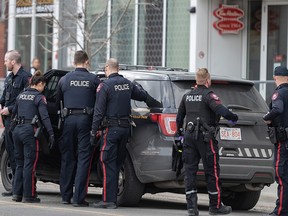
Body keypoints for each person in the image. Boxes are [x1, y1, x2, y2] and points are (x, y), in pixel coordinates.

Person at [91, 58, 156, 209]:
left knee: (106, 162)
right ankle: (112, 198)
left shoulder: (105, 86)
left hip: (111, 130)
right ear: (118, 68)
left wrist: (93, 131)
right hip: (125, 130)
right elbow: (143, 96)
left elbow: (98, 112)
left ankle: (108, 200)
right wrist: (156, 104)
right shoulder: (127, 84)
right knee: (117, 163)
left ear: (107, 68)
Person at [176, 68, 238, 216]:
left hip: (189, 138)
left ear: (196, 81)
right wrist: (233, 118)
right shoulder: (209, 96)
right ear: (208, 80)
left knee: (190, 171)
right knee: (212, 171)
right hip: (205, 138)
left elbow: (179, 119)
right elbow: (221, 110)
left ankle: (192, 208)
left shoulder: (187, 96)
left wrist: (179, 136)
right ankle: (215, 207)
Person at [56, 50, 100, 207]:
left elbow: (57, 100)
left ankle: (65, 196)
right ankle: (78, 198)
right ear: (86, 61)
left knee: (68, 158)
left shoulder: (64, 79)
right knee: (83, 159)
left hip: (68, 121)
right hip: (85, 121)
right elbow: (100, 101)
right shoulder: (93, 79)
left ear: (74, 62)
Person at [11, 71, 54, 203]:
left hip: (17, 131)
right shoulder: (39, 98)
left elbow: (14, 114)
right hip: (29, 131)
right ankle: (28, 195)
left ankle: (16, 194)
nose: (44, 89)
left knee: (19, 164)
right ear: (39, 83)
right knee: (29, 164)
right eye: (44, 86)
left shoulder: (21, 95)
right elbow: (45, 117)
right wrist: (51, 133)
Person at [0, 50, 31, 196]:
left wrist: (10, 109)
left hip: (18, 121)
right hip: (7, 122)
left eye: (6, 60)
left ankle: (21, 189)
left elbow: (26, 100)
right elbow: (4, 97)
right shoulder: (9, 78)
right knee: (11, 154)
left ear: (13, 61)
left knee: (20, 156)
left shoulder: (26, 78)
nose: (4, 62)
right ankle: (14, 187)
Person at [263, 66, 288, 216]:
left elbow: (277, 109)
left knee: (282, 176)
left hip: (283, 142)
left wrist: (266, 117)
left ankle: (281, 211)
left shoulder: (278, 93)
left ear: (274, 78)